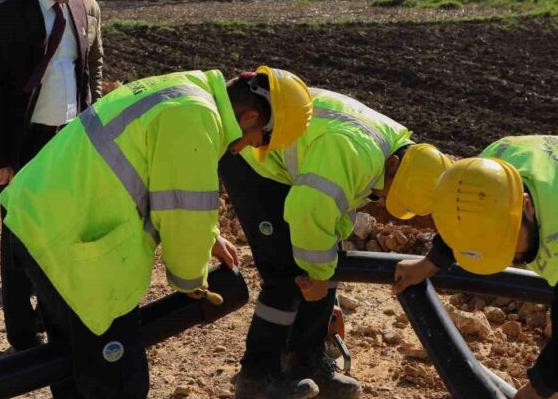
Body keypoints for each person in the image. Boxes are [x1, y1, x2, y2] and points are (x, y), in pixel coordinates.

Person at [0, 66, 313, 398]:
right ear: (250, 117)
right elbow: (184, 213)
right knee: (119, 378)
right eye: (261, 140)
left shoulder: (186, 89)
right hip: (66, 239)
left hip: (39, 215)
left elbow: (159, 177)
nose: (248, 148)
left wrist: (210, 238)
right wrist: (192, 280)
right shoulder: (196, 118)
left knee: (73, 360)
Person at [219, 87, 449, 399]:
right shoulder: (356, 153)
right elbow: (308, 210)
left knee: (327, 259)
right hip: (253, 155)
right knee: (286, 273)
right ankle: (257, 375)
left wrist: (324, 270)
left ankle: (307, 361)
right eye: (387, 192)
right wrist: (318, 272)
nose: (381, 198)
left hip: (299, 165)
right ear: (393, 165)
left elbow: (333, 208)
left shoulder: (394, 152)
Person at [0, 0, 103, 350]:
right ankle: (22, 336)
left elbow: (93, 66)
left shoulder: (87, 8)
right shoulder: (7, 13)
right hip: (22, 142)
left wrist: (89, 119)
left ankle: (53, 315)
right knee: (18, 237)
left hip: (69, 140)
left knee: (62, 232)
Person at [393, 135, 558, 399]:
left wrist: (539, 388)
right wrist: (429, 263)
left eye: (506, 242)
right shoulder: (484, 172)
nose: (507, 254)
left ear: (525, 205)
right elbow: (465, 216)